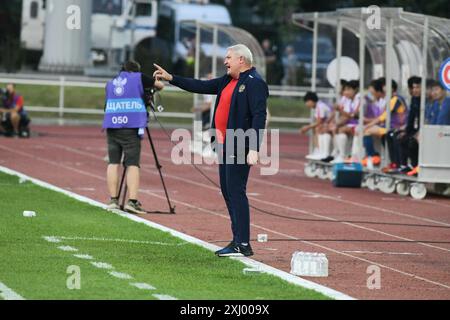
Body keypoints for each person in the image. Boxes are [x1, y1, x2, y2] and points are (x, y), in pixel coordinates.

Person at [154, 44, 268, 257]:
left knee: (235, 191)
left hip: (240, 142)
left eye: (228, 58)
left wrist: (253, 147)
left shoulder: (255, 83)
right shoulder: (227, 80)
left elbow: (259, 116)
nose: (225, 61)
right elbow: (201, 86)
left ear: (241, 60)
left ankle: (242, 243)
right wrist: (172, 78)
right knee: (227, 190)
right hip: (224, 144)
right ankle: (238, 240)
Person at [103, 61, 164, 214]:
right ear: (136, 70)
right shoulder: (138, 77)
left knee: (113, 162)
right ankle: (132, 201)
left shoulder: (111, 83)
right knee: (132, 164)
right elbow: (160, 86)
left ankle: (113, 200)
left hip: (112, 124)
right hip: (131, 125)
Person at [362, 78, 408, 169]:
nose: (384, 90)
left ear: (392, 88)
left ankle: (373, 157)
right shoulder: (392, 99)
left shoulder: (395, 99)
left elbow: (383, 117)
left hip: (395, 127)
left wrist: (369, 124)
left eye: (386, 88)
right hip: (391, 126)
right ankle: (382, 159)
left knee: (367, 130)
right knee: (377, 133)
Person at [300, 91, 333, 160]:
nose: (306, 104)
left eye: (307, 102)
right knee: (315, 128)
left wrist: (307, 127)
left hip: (332, 124)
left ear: (311, 101)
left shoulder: (320, 106)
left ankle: (322, 151)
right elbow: (319, 121)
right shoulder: (318, 106)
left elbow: (319, 121)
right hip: (328, 124)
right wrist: (308, 127)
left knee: (317, 128)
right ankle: (318, 150)